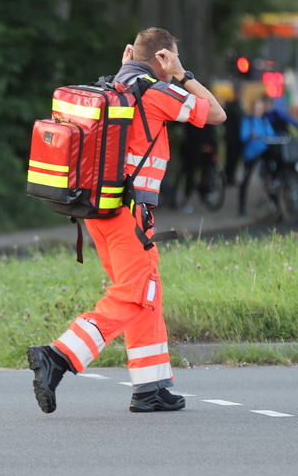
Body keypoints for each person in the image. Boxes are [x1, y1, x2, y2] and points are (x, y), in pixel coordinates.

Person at [27, 27, 226, 414]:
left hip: (98, 212)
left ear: (128, 53)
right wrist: (183, 74)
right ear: (163, 59)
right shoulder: (157, 92)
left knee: (147, 293)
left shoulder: (111, 90)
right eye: (170, 62)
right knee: (134, 295)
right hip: (128, 215)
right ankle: (58, 356)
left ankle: (150, 388)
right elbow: (216, 114)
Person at [238, 98, 277, 217]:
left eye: (260, 108)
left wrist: (260, 136)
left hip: (264, 151)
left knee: (271, 172)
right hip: (251, 154)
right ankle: (241, 207)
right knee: (246, 179)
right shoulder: (247, 121)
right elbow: (243, 136)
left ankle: (266, 196)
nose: (258, 111)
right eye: (256, 108)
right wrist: (252, 136)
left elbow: (271, 135)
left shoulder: (264, 120)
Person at [178, 123, 218, 213]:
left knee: (205, 173)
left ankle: (204, 192)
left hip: (203, 152)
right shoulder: (193, 120)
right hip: (194, 152)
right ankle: (188, 200)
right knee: (191, 176)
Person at [223, 88, 244, 186]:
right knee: (230, 159)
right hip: (232, 138)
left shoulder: (239, 106)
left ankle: (231, 177)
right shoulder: (231, 106)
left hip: (238, 138)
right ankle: (228, 178)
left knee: (235, 159)